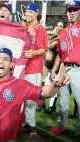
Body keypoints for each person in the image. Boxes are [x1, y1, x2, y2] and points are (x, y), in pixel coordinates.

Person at [50, 0, 80, 142]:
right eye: (69, 10)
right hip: (64, 67)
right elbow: (60, 54)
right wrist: (54, 69)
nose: (71, 12)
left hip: (79, 68)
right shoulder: (63, 32)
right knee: (63, 103)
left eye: (75, 9)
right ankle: (62, 125)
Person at [22, 2, 48, 132]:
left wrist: (33, 52)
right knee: (21, 98)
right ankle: (23, 122)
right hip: (22, 68)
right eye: (27, 12)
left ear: (37, 13)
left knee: (31, 99)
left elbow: (43, 49)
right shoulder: (24, 27)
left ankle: (31, 124)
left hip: (33, 69)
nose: (28, 14)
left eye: (31, 12)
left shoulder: (41, 29)